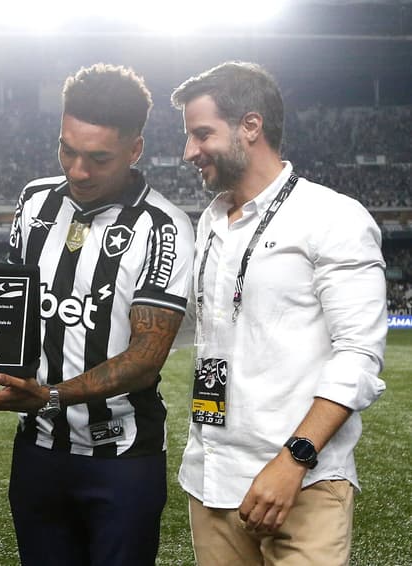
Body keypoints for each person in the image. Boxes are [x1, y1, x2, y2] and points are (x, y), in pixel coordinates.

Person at [0, 63, 194, 565]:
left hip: (123, 457)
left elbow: (146, 357)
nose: (77, 170)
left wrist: (51, 395)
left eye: (98, 158)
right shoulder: (35, 200)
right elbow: (12, 308)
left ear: (135, 149)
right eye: (67, 149)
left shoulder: (164, 226)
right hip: (38, 451)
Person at [171, 61, 387, 565]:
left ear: (251, 126)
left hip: (301, 483)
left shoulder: (333, 217)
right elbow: (199, 329)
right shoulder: (208, 222)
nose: (188, 152)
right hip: (211, 479)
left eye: (202, 134)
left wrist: (294, 461)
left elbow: (357, 357)